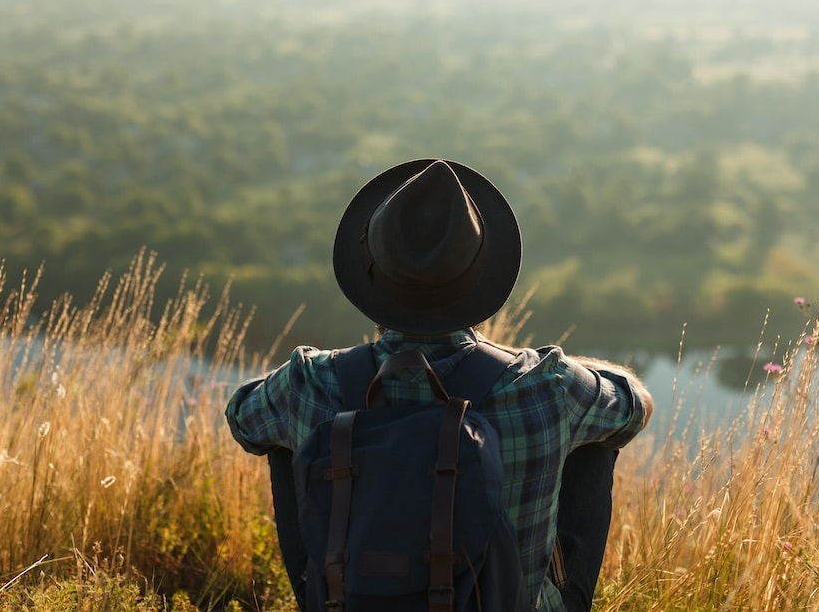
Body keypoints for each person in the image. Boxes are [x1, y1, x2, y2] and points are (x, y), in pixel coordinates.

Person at [226, 158, 653, 611]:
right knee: (598, 439)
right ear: (480, 278)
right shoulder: (549, 384)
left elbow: (242, 418)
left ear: (371, 275)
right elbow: (636, 406)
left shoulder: (307, 382)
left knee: (284, 441)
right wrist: (554, 365)